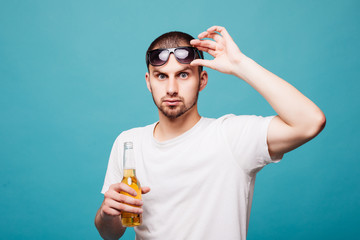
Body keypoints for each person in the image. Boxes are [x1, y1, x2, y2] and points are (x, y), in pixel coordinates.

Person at [94, 26, 326, 240]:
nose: (171, 89)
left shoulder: (231, 137)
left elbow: (310, 122)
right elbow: (110, 234)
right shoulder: (128, 143)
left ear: (202, 79)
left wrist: (239, 64)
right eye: (161, 76)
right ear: (149, 81)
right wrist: (107, 214)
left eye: (183, 75)